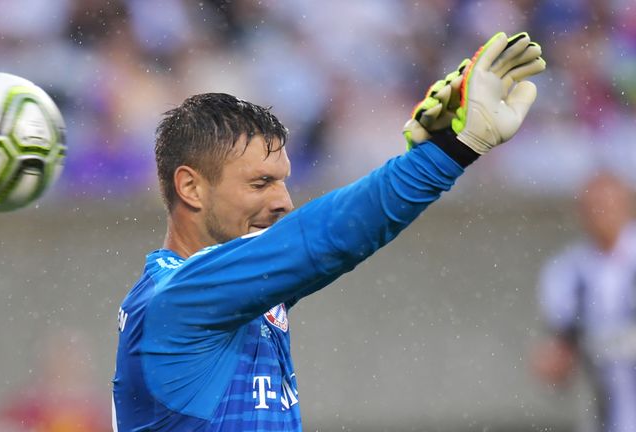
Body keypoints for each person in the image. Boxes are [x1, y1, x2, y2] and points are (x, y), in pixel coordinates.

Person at [112, 32, 545, 431]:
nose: (284, 201)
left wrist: (427, 151)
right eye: (260, 183)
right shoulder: (178, 299)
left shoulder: (235, 289)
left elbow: (335, 237)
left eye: (283, 181)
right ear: (190, 187)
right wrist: (448, 153)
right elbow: (324, 237)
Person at [533, 173, 636, 432]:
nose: (603, 214)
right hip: (605, 417)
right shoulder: (567, 273)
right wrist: (555, 362)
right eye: (594, 208)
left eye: (610, 205)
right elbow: (558, 351)